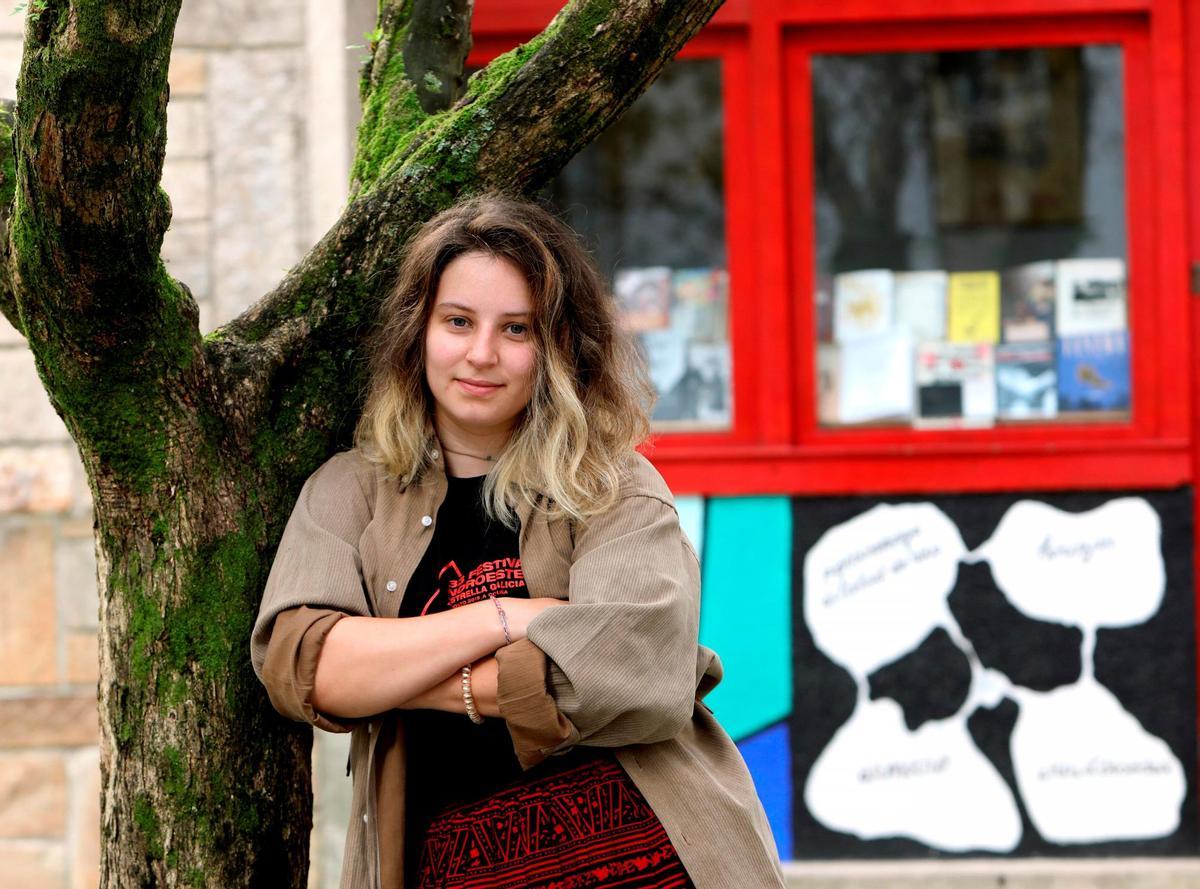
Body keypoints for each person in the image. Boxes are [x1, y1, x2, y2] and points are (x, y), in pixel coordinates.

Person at [250, 194, 785, 889]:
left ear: (556, 346)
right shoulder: (348, 491)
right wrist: (503, 617)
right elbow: (305, 666)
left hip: (647, 855)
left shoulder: (612, 483)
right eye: (459, 321)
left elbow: (636, 667)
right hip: (450, 864)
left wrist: (400, 676)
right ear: (418, 331)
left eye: (516, 329)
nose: (481, 354)